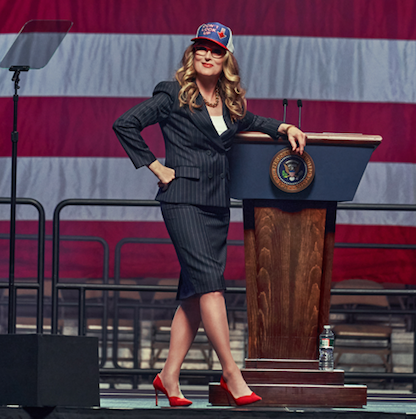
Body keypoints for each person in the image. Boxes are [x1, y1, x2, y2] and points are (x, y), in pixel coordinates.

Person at [113, 22, 306, 407]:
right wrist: (156, 167)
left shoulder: (231, 103)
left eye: (216, 50)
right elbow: (126, 124)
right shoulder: (172, 94)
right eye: (201, 47)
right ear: (192, 53)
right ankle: (232, 374)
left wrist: (284, 126)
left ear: (226, 59)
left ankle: (168, 375)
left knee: (192, 295)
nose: (206, 55)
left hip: (217, 204)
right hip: (182, 199)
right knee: (211, 286)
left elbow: (253, 123)